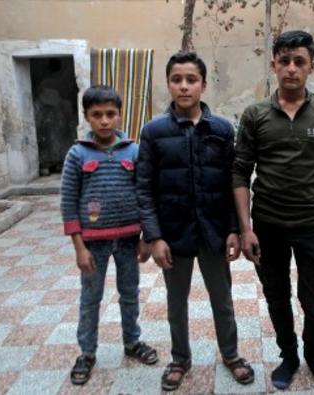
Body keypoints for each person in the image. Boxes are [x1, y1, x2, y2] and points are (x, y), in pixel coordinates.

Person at [233, 30, 314, 389]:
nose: (290, 68)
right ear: (274, 65)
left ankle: (313, 354)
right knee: (276, 294)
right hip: (266, 224)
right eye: (283, 61)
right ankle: (288, 356)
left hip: (311, 224)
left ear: (310, 67)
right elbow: (240, 170)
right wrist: (245, 228)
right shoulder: (255, 115)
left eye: (298, 61)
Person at [136, 51, 254, 391]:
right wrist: (154, 236)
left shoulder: (221, 129)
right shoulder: (154, 132)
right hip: (173, 234)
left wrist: (233, 228)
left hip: (214, 231)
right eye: (177, 80)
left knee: (223, 299)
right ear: (169, 84)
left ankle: (230, 354)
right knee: (176, 301)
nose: (184, 86)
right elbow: (143, 187)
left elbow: (234, 183)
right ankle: (180, 358)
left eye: (191, 80)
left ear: (203, 84)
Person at [60, 85, 158, 386]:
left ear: (120, 115)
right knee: (91, 298)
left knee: (130, 293)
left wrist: (145, 236)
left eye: (110, 114)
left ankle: (132, 342)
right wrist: (79, 248)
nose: (104, 121)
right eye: (97, 115)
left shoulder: (133, 150)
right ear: (87, 117)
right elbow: (68, 202)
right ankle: (87, 353)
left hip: (129, 239)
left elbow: (144, 194)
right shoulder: (77, 154)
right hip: (93, 243)